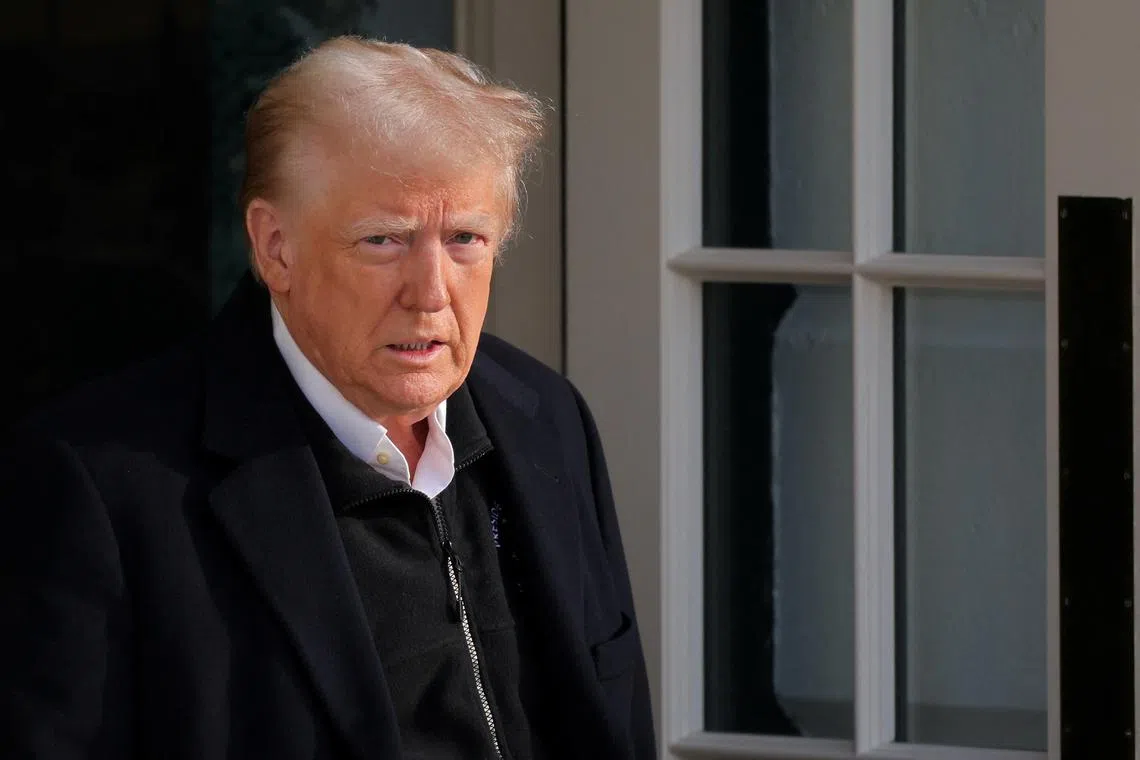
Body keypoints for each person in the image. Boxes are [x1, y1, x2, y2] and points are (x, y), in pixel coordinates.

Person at [0, 37, 654, 760]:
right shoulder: (102, 486)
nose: (431, 293)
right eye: (384, 240)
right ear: (275, 246)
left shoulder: (547, 416)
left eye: (465, 238)